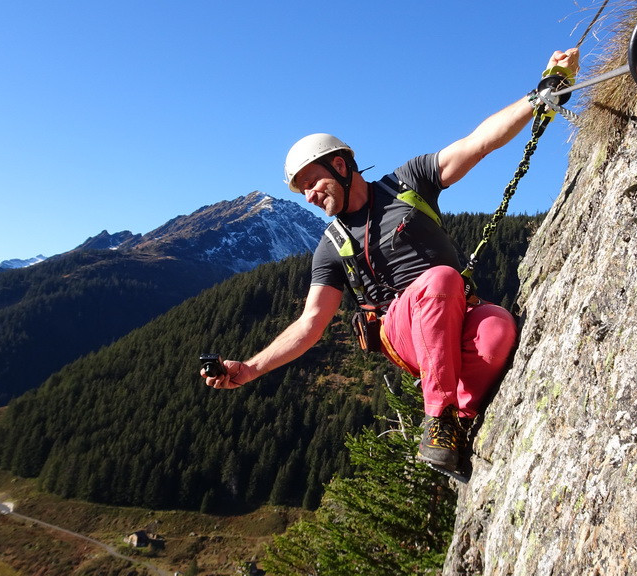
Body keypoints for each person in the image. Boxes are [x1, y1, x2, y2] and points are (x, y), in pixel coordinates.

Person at [202, 48, 580, 474]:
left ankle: (464, 420)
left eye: (312, 182)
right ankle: (438, 419)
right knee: (440, 280)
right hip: (402, 329)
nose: (309, 196)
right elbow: (311, 323)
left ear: (341, 165)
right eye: (301, 191)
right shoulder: (332, 245)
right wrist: (251, 368)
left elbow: (477, 144)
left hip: (457, 312)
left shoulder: (408, 183)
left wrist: (540, 95)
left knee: (498, 328)